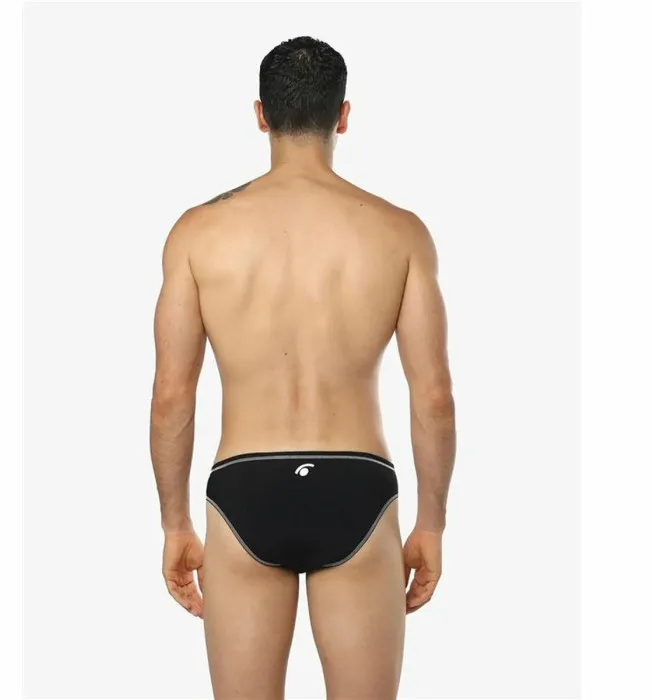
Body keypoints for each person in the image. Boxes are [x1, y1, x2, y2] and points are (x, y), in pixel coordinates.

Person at [149, 35, 456, 700]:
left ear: (261, 115)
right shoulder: (399, 232)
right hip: (357, 487)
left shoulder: (197, 233)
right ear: (343, 116)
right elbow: (432, 395)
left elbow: (172, 395)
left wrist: (175, 523)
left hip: (245, 489)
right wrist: (431, 523)